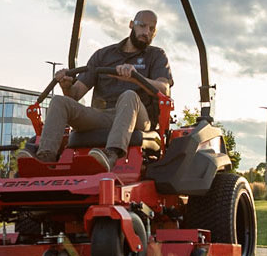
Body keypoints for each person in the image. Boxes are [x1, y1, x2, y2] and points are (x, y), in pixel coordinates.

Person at [19, 10, 173, 171]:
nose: (146, 32)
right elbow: (75, 94)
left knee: (129, 96)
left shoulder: (156, 55)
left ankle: (111, 154)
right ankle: (45, 157)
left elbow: (164, 89)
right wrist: (66, 85)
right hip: (102, 116)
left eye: (151, 29)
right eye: (142, 26)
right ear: (131, 25)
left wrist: (135, 78)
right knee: (59, 101)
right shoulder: (103, 55)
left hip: (138, 118)